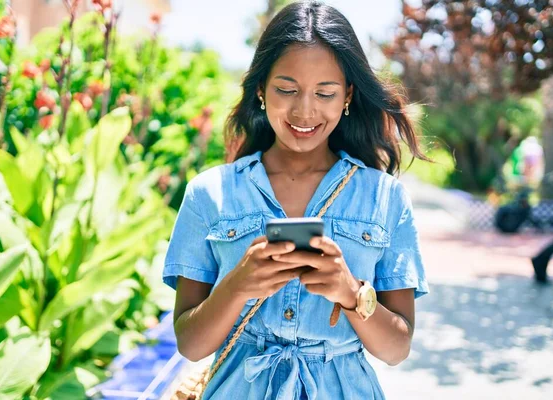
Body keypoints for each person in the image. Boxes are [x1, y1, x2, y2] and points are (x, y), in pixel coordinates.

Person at [162, 2, 429, 399]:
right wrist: (236, 286)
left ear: (348, 96)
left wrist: (351, 293)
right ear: (260, 90)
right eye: (287, 89)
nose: (305, 110)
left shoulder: (384, 198)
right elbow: (191, 344)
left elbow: (396, 349)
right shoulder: (209, 193)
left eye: (325, 92)